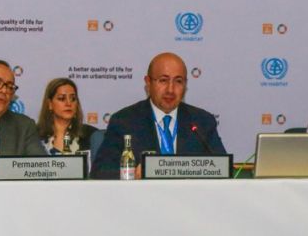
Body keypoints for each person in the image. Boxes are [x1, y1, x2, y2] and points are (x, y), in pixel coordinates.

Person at [91, 52, 226, 179]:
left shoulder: (202, 122)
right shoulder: (124, 122)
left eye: (178, 81)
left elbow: (222, 169)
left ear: (185, 85)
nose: (170, 90)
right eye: (163, 80)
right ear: (148, 82)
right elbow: (100, 172)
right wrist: (133, 174)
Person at [36, 78, 97, 154]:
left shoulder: (91, 135)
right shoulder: (34, 135)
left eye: (73, 99)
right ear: (50, 104)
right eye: (62, 98)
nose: (68, 103)